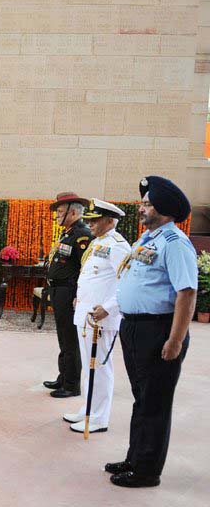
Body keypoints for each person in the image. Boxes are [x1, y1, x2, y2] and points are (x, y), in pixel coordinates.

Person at [106, 176, 196, 488]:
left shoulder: (175, 243)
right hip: (134, 328)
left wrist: (176, 339)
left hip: (159, 331)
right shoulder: (147, 240)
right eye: (142, 203)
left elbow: (186, 293)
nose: (141, 208)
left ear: (166, 209)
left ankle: (146, 471)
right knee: (141, 398)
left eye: (147, 204)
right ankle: (135, 457)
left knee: (154, 402)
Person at [62, 199, 130, 434]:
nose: (89, 223)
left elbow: (127, 281)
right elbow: (94, 277)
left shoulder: (118, 245)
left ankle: (99, 417)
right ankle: (89, 408)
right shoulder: (99, 242)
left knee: (99, 366)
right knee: (90, 366)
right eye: (89, 219)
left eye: (95, 220)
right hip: (87, 314)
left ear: (110, 221)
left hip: (102, 317)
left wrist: (109, 307)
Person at [43, 192, 93, 399]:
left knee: (70, 339)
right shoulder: (68, 233)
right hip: (58, 291)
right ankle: (63, 377)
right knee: (63, 336)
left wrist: (79, 295)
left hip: (69, 291)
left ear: (73, 212)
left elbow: (86, 268)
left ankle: (72, 385)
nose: (57, 216)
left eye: (60, 212)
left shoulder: (82, 236)